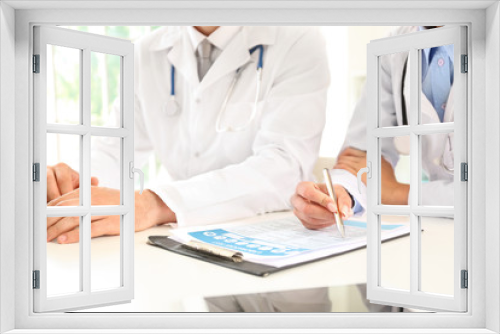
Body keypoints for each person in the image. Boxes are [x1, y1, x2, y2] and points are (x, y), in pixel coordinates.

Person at [46, 26, 331, 244]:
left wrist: (155, 204)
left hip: (268, 241)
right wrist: (74, 183)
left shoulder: (297, 39)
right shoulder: (146, 51)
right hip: (182, 241)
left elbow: (283, 168)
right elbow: (115, 151)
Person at [292, 26, 456, 229]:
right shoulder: (394, 48)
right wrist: (342, 194)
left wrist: (398, 194)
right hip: (440, 231)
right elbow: (360, 158)